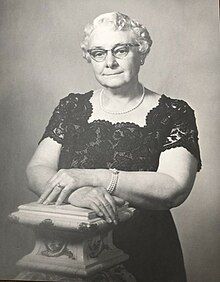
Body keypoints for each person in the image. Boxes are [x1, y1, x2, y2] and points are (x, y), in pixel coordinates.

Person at [26, 12, 201, 282]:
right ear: (90, 58)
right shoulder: (71, 107)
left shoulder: (174, 112)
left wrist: (92, 177)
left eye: (120, 50)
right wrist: (76, 193)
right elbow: (37, 169)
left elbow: (174, 188)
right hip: (72, 251)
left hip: (147, 252)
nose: (109, 62)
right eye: (99, 53)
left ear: (141, 52)